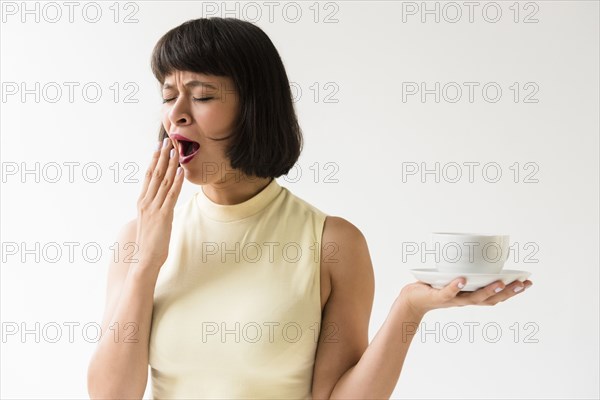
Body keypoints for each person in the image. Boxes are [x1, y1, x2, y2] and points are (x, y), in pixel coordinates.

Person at [87, 17, 533, 399]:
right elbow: (111, 394)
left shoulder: (332, 243)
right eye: (169, 97)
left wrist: (409, 309)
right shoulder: (137, 238)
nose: (177, 115)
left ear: (254, 109)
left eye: (202, 96)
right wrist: (146, 261)